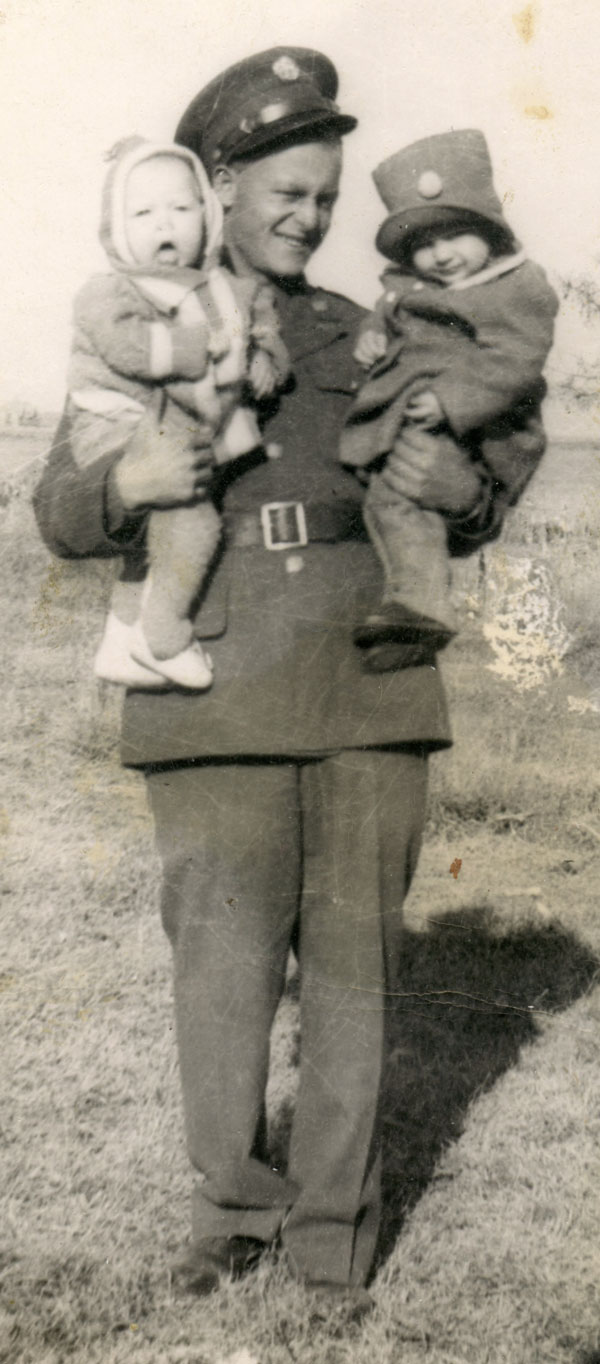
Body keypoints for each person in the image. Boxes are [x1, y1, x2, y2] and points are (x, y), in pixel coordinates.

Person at [33, 48, 540, 1319]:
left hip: (370, 675)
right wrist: (117, 491)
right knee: (222, 972)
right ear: (217, 185)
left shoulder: (371, 327)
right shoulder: (147, 317)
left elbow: (467, 483)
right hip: (213, 685)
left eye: (324, 198)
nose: (308, 218)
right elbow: (62, 505)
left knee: (356, 975)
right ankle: (228, 1211)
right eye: (286, 193)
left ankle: (330, 1243)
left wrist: (464, 497)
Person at [69, 135, 289, 689]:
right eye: (143, 213)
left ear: (207, 216)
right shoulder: (112, 292)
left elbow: (263, 332)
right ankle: (162, 635)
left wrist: (267, 359)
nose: (164, 224)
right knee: (192, 519)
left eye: (181, 208)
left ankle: (122, 637)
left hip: (176, 430)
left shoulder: (229, 291)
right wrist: (194, 349)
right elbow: (127, 348)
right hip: (115, 428)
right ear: (118, 227)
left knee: (156, 538)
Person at [341, 129, 558, 666]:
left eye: (454, 235)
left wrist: (452, 401)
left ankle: (423, 604)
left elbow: (513, 359)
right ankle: (412, 601)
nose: (439, 256)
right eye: (422, 244)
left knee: (406, 499)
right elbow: (393, 306)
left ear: (491, 229)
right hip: (417, 415)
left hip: (475, 424)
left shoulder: (515, 288)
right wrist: (373, 333)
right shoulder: (414, 286)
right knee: (389, 501)